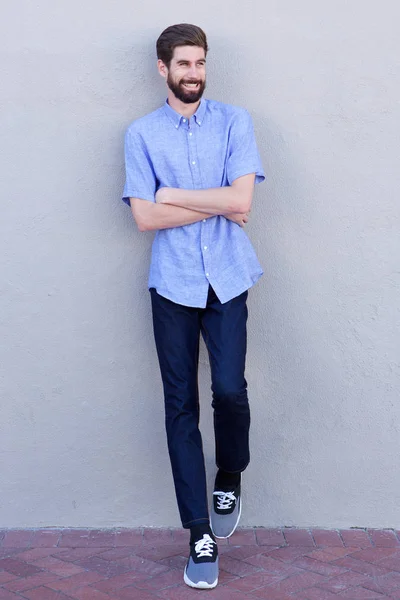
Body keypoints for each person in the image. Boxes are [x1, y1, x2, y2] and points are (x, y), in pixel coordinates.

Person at [122, 23, 265, 589]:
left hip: (228, 278)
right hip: (173, 285)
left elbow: (244, 202)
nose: (194, 74)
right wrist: (216, 202)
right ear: (163, 69)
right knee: (179, 406)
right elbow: (143, 218)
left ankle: (230, 471)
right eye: (184, 64)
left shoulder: (235, 122)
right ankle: (198, 532)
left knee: (229, 389)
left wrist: (174, 193)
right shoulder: (140, 135)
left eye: (200, 63)